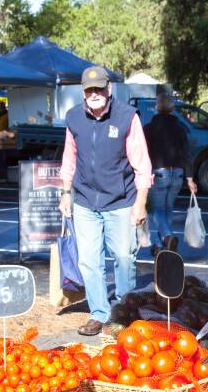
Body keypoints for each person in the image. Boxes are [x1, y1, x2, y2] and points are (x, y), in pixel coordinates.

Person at [58, 65, 152, 336]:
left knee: (124, 257)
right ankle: (98, 313)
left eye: (99, 88)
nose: (95, 93)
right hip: (85, 201)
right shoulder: (74, 118)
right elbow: (69, 159)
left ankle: (124, 311)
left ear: (109, 89)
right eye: (89, 89)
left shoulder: (127, 117)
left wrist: (140, 202)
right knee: (89, 261)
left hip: (121, 201)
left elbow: (142, 164)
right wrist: (66, 193)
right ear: (83, 93)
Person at [143, 91, 197, 255]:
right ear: (173, 108)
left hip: (159, 171)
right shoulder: (180, 129)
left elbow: (144, 154)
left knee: (156, 210)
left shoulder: (149, 128)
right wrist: (190, 179)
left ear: (156, 108)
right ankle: (160, 245)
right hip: (178, 173)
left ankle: (167, 237)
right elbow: (186, 154)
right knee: (168, 209)